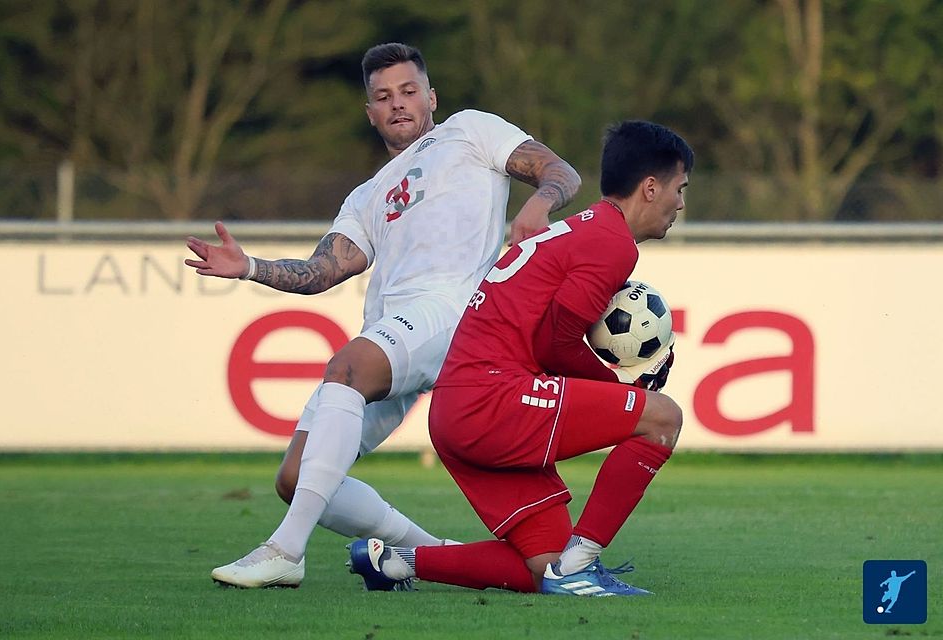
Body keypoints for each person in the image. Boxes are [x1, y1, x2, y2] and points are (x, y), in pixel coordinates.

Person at [184, 42, 581, 588]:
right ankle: (432, 553)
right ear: (370, 112)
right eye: (383, 96)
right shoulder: (366, 196)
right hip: (393, 330)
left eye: (409, 91)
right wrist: (248, 265)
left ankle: (286, 551)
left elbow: (560, 171)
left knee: (348, 366)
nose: (398, 104)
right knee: (297, 477)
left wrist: (537, 204)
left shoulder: (468, 130)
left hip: (454, 309)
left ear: (431, 97)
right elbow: (323, 269)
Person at [348, 120, 692, 596]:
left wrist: (613, 394)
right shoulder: (610, 243)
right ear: (651, 188)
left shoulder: (585, 231)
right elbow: (557, 341)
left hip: (456, 412)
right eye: (680, 189)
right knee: (662, 419)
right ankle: (582, 564)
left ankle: (396, 562)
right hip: (492, 400)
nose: (681, 203)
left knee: (541, 564)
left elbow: (548, 336)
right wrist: (621, 392)